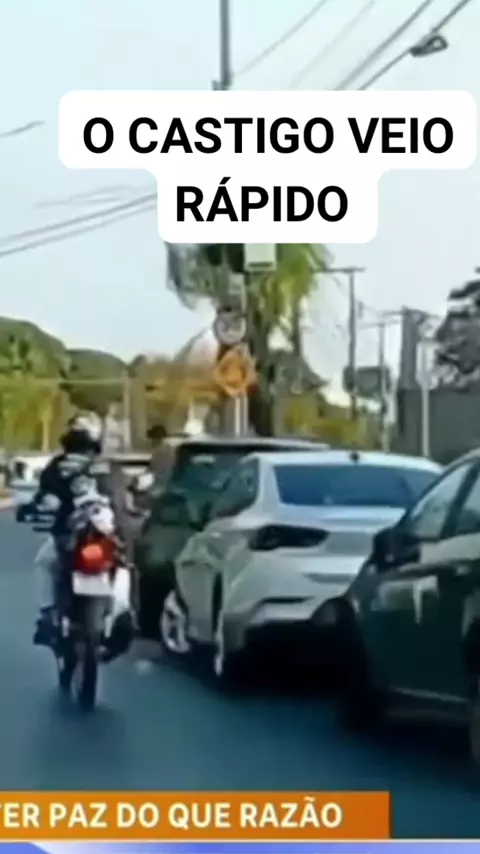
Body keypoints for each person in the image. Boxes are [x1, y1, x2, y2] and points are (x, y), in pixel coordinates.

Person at [33, 414, 134, 657]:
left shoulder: (58, 466)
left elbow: (44, 497)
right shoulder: (109, 468)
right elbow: (125, 501)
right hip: (95, 539)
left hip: (81, 538)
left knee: (45, 562)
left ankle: (49, 613)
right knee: (124, 566)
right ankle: (122, 612)